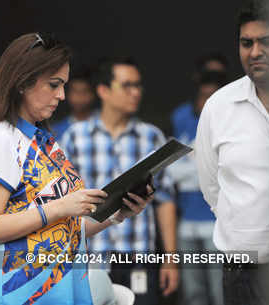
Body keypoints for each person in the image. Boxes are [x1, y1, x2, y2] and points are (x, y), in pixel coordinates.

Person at [0, 32, 155, 305]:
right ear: (22, 82)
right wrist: (61, 207)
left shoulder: (46, 144)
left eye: (63, 84)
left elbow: (61, 232)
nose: (62, 95)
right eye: (54, 85)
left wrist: (116, 214)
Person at [60, 56, 179, 305]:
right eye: (127, 85)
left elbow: (165, 200)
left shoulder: (151, 136)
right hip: (90, 256)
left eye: (138, 85)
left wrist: (170, 258)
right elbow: (63, 202)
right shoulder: (74, 137)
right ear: (103, 90)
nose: (135, 92)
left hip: (138, 256)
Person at [194, 1, 269, 304]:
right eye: (247, 43)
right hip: (243, 274)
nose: (255, 51)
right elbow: (211, 186)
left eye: (267, 41)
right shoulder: (219, 107)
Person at [167, 70, 228, 305]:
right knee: (192, 296)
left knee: (220, 293)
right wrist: (201, 167)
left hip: (216, 222)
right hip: (187, 223)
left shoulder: (231, 124)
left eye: (212, 96)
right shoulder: (182, 117)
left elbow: (218, 173)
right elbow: (172, 172)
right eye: (202, 96)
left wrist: (193, 166)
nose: (206, 102)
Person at [51, 69, 96, 140]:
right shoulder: (56, 131)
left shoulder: (104, 125)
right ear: (67, 94)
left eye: (84, 92)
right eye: (75, 92)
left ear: (92, 95)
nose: (79, 97)